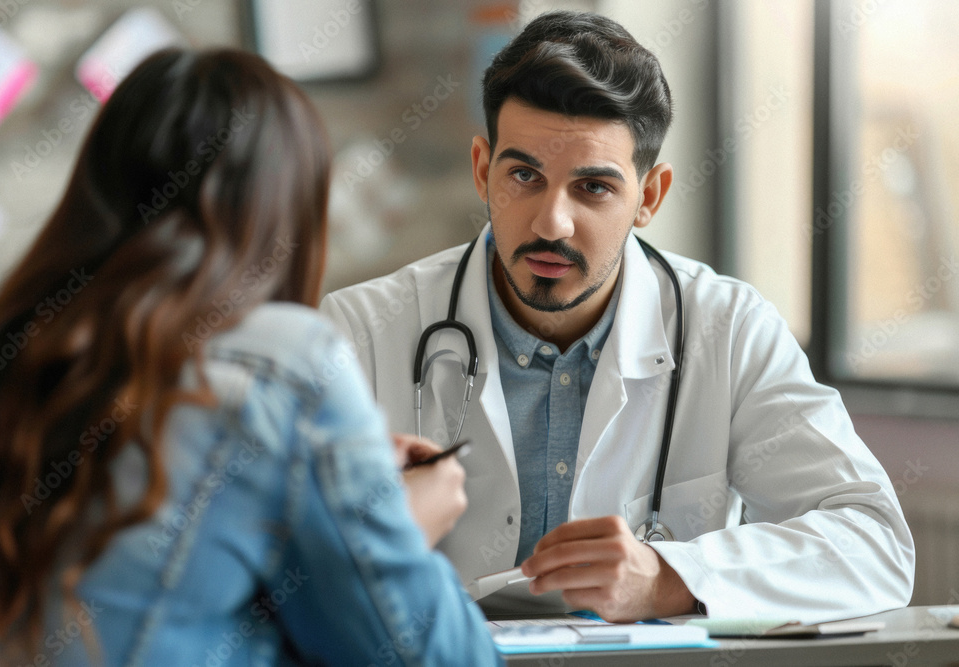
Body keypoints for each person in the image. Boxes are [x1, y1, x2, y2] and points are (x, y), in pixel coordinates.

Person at [320, 10, 915, 623]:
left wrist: (670, 577)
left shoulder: (729, 330)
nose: (551, 222)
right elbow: (269, 567)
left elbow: (875, 544)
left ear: (648, 197)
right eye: (524, 175)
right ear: (481, 171)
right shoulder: (359, 333)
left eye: (593, 188)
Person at [0, 48, 502, 665]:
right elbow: (436, 657)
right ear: (286, 213)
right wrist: (394, 526)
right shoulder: (287, 363)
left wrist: (339, 476)